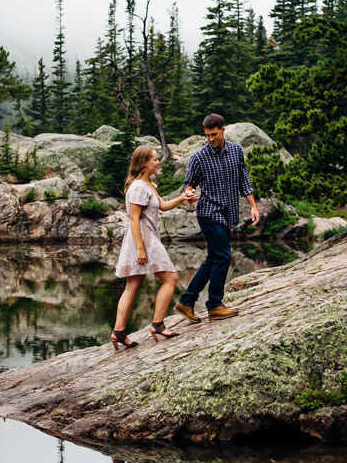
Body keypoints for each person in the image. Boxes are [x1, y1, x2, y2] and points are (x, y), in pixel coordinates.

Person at [174, 114, 260, 323]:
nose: (210, 139)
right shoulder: (199, 157)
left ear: (223, 130)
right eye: (207, 135)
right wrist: (189, 194)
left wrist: (253, 206)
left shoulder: (236, 151)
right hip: (209, 212)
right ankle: (214, 305)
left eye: (214, 134)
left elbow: (244, 181)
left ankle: (186, 302)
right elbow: (189, 183)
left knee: (213, 258)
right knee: (223, 255)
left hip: (228, 212)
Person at [111, 144, 197, 349]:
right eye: (155, 159)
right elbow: (133, 219)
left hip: (146, 238)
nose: (158, 162)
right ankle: (157, 324)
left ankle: (119, 332)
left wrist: (183, 198)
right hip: (144, 239)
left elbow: (164, 206)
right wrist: (140, 249)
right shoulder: (138, 187)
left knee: (133, 285)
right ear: (144, 163)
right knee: (171, 278)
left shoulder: (147, 184)